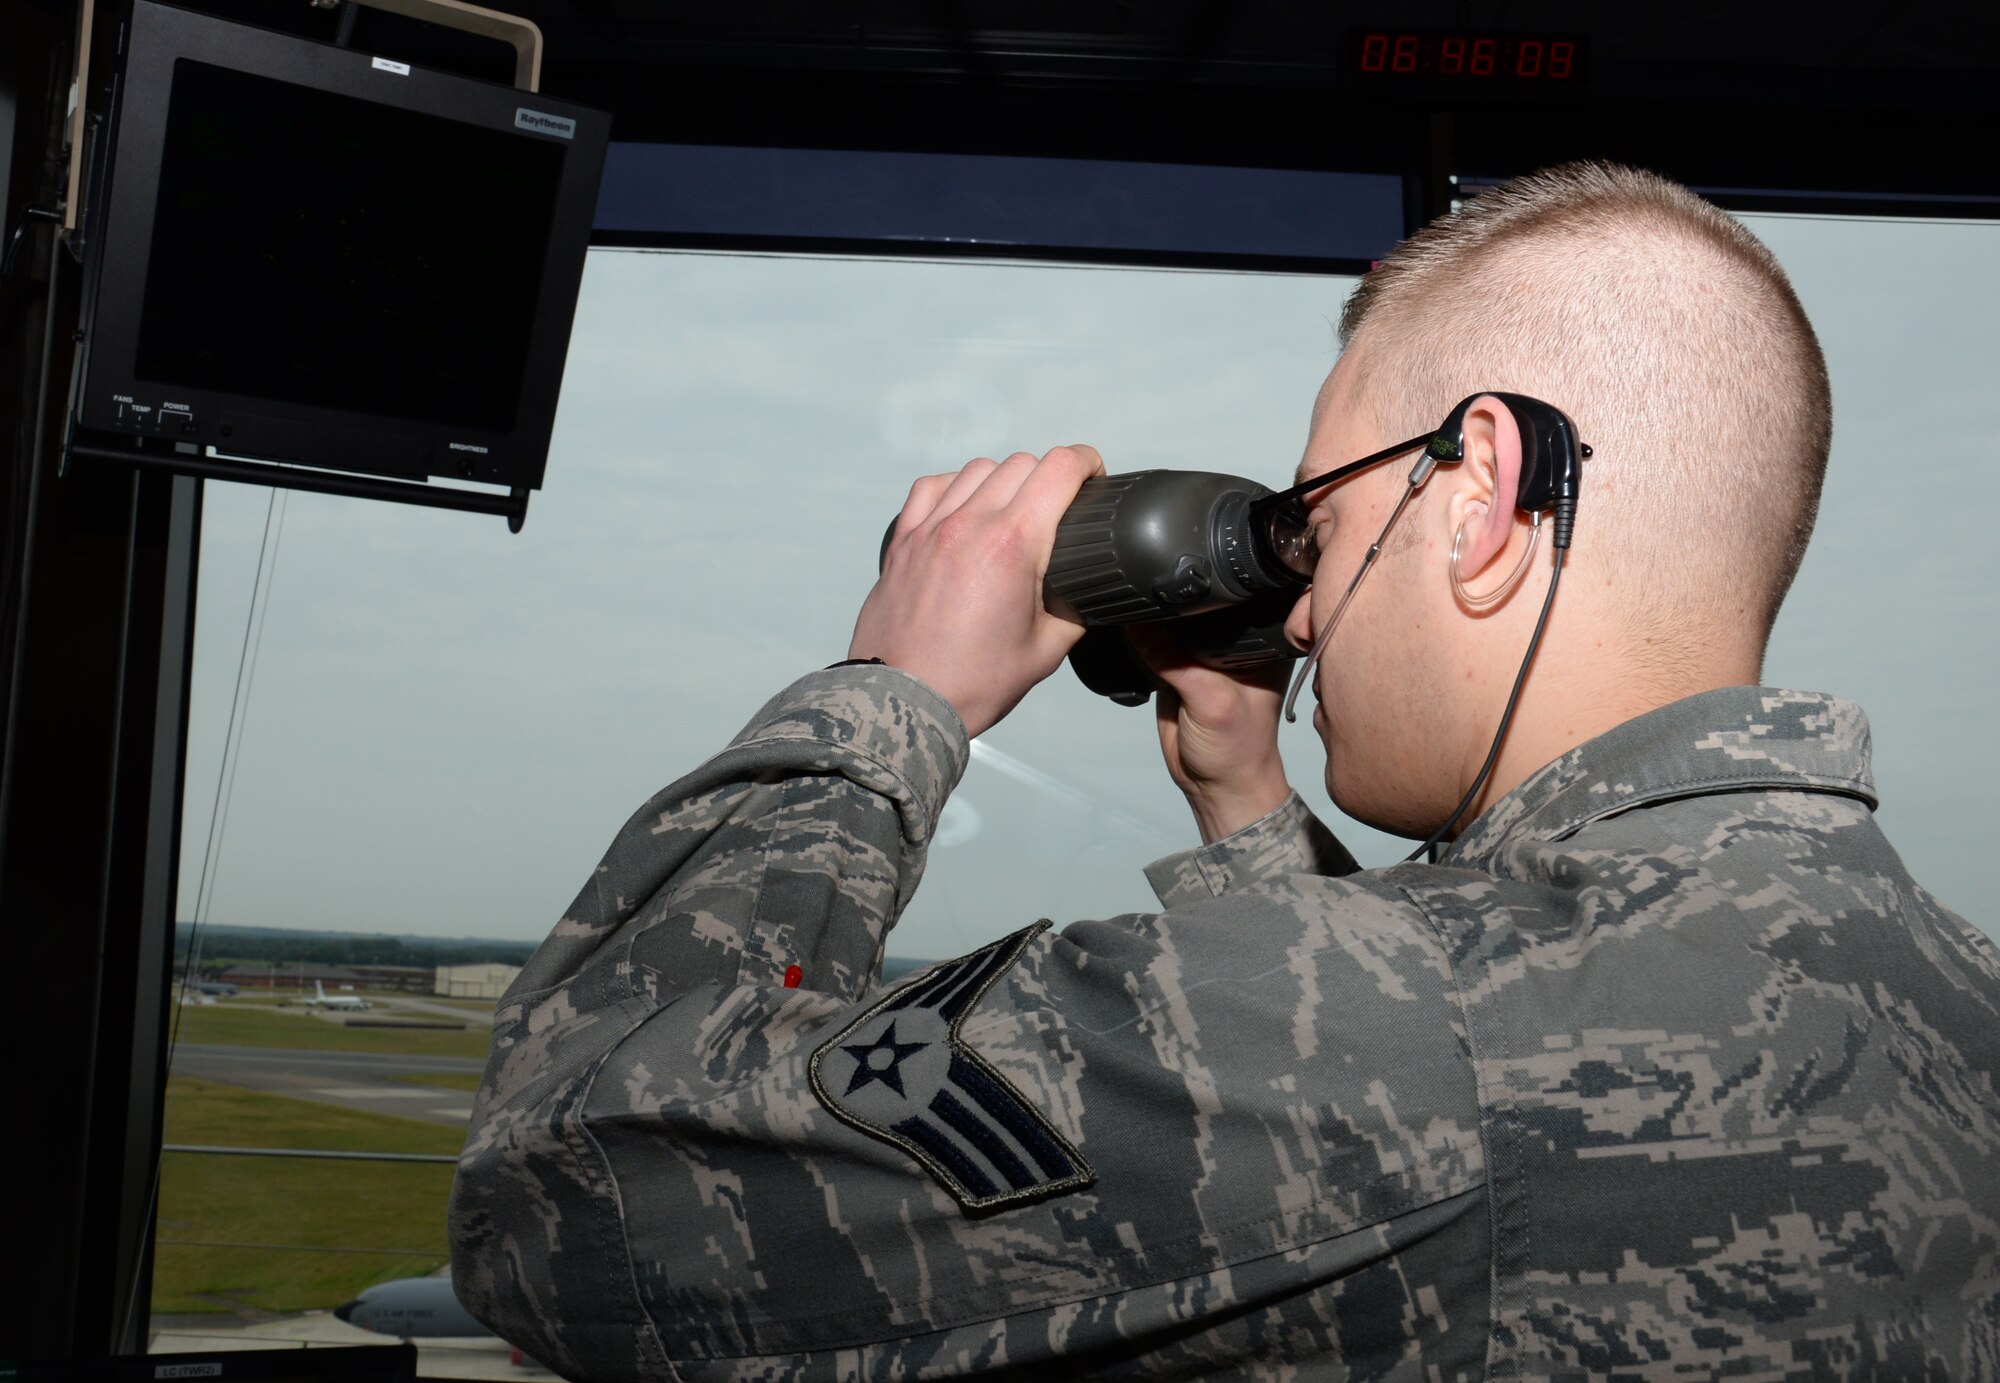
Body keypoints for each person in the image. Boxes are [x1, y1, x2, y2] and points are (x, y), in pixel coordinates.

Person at [448, 163, 2000, 1380]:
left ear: (1479, 501)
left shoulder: (1380, 1041)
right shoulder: (1957, 999)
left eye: (1319, 527)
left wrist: (889, 695)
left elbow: (561, 1191)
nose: (1308, 611)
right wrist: (1247, 799)